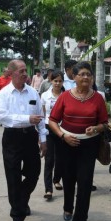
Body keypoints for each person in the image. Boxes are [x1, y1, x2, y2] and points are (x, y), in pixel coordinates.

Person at [48, 61, 108, 221]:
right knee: (68, 179)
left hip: (89, 146)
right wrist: (62, 136)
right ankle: (68, 207)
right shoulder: (65, 97)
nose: (86, 77)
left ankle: (81, 220)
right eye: (82, 74)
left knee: (85, 182)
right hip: (66, 143)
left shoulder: (98, 98)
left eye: (88, 74)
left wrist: (96, 129)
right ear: (74, 77)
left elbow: (104, 123)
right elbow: (52, 120)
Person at [0, 60, 47, 221]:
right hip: (12, 137)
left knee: (34, 173)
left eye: (26, 70)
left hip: (30, 136)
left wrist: (43, 138)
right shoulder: (4, 94)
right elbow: (2, 117)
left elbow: (40, 117)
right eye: (22, 71)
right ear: (11, 73)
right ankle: (17, 216)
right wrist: (26, 119)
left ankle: (21, 200)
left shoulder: (33, 92)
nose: (26, 74)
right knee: (13, 177)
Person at [40, 70, 64, 201]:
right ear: (51, 81)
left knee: (60, 158)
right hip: (48, 128)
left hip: (62, 129)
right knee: (49, 159)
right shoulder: (44, 96)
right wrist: (41, 134)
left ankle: (57, 180)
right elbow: (42, 115)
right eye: (55, 81)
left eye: (60, 81)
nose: (57, 83)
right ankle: (48, 189)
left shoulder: (66, 95)